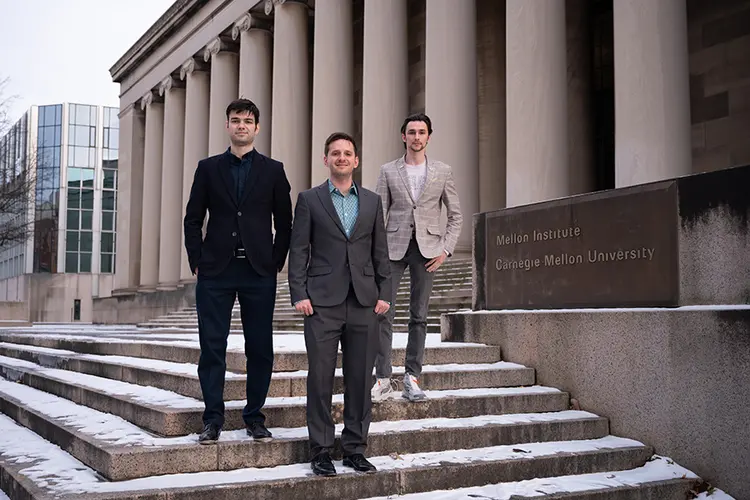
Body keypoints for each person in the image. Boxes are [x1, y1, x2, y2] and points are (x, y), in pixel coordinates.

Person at [184, 98, 293, 444]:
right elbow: (192, 219)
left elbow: (285, 222)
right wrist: (197, 259)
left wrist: (276, 260)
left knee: (259, 347)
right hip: (216, 270)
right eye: (235, 120)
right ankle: (212, 419)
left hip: (258, 270)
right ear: (227, 126)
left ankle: (254, 416)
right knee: (212, 347)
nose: (241, 125)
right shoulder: (208, 168)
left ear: (257, 127)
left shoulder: (274, 170)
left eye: (248, 120)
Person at [288, 132, 391, 477]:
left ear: (356, 161)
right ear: (326, 159)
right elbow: (299, 249)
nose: (342, 158)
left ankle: (354, 448)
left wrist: (385, 293)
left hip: (364, 301)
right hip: (322, 303)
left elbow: (381, 253)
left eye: (348, 153)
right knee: (320, 377)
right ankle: (320, 450)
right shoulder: (309, 200)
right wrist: (299, 293)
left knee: (361, 379)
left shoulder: (374, 202)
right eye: (336, 153)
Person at [372, 113, 463, 402]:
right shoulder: (388, 171)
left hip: (428, 250)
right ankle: (383, 378)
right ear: (403, 136)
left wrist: (446, 250)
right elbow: (377, 216)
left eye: (421, 132)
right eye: (411, 132)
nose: (416, 137)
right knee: (383, 312)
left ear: (428, 137)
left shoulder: (442, 171)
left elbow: (456, 215)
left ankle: (412, 377)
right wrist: (377, 254)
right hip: (393, 249)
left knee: (419, 316)